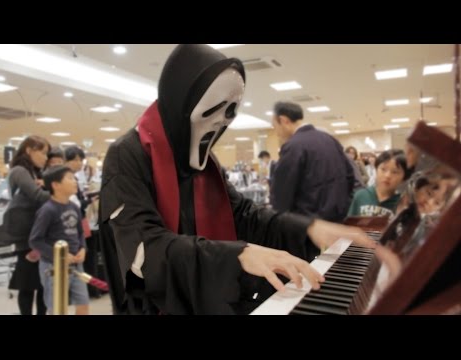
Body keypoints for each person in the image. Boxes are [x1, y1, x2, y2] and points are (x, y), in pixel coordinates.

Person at [99, 44, 378, 315]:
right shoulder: (127, 155)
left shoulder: (206, 164)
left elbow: (244, 215)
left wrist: (309, 230)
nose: (220, 122)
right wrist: (238, 256)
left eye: (229, 112)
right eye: (212, 109)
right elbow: (143, 250)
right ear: (181, 102)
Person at [270, 101, 354, 223]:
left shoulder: (293, 146)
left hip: (308, 226)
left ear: (283, 121)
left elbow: (281, 195)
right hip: (338, 220)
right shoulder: (329, 139)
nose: (276, 133)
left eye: (274, 126)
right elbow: (350, 177)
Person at [29, 165, 89, 315]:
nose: (75, 181)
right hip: (53, 267)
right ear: (55, 185)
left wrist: (83, 248)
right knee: (57, 308)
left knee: (83, 304)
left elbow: (80, 233)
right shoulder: (47, 210)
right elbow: (35, 240)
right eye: (69, 178)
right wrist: (59, 256)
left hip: (76, 265)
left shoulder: (74, 207)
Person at [7, 136, 51, 315]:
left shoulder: (35, 173)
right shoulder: (19, 171)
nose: (45, 157)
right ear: (29, 150)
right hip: (26, 235)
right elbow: (37, 196)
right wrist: (62, 193)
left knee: (42, 283)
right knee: (27, 284)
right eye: (42, 152)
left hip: (39, 233)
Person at [348, 149, 407, 217]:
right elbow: (349, 225)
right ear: (376, 169)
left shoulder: (402, 204)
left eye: (395, 172)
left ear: (404, 178)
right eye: (383, 169)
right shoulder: (361, 196)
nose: (387, 176)